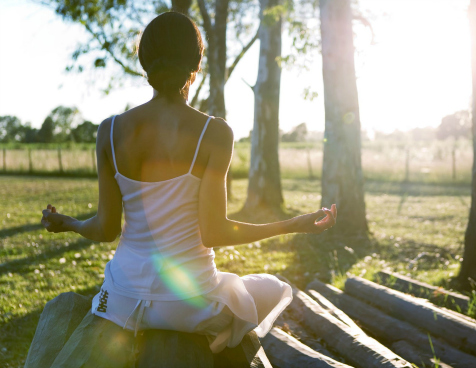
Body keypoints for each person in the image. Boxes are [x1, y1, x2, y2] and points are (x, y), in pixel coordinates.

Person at [40, 11, 336, 355]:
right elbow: (215, 233)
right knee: (271, 288)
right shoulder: (215, 133)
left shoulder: (108, 130)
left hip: (120, 300)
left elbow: (106, 229)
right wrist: (294, 224)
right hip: (190, 305)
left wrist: (69, 224)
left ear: (145, 63)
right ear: (196, 65)